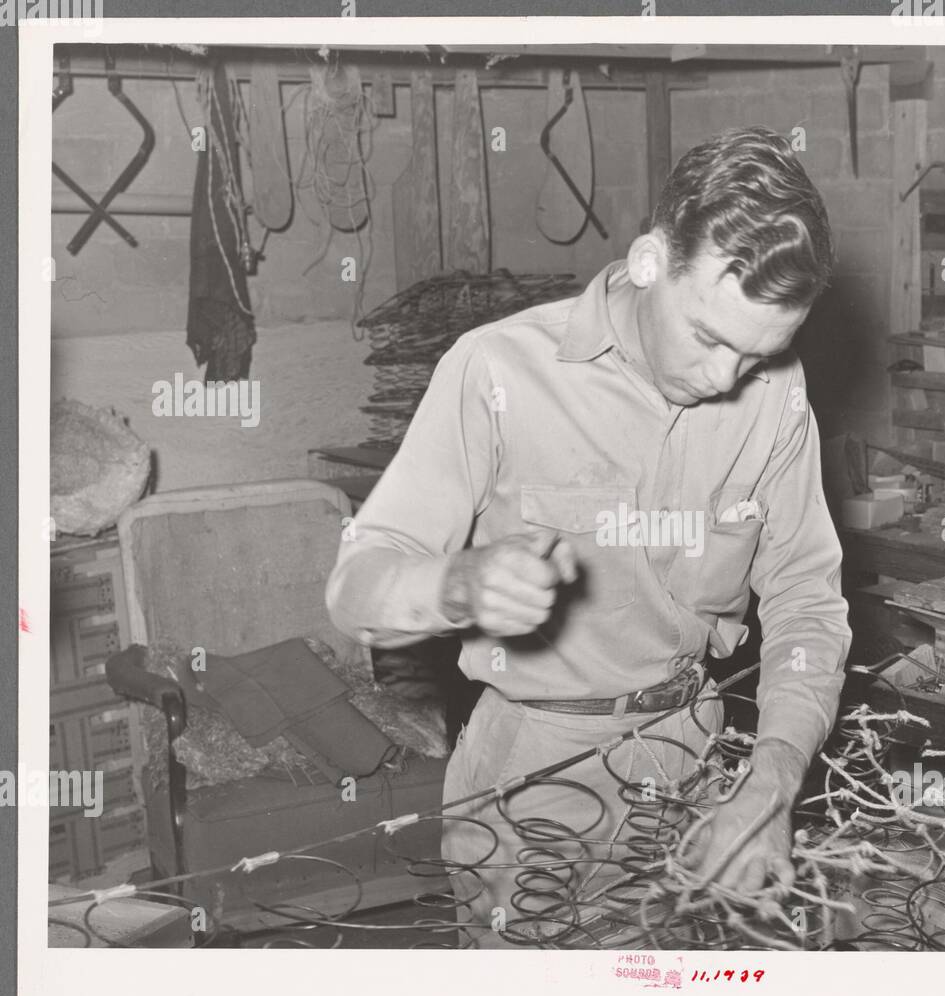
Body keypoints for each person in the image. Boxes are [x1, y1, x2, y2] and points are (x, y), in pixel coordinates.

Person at [326, 126, 851, 947]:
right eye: (710, 337)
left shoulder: (775, 393)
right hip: (536, 773)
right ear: (650, 261)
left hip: (693, 757)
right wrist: (452, 585)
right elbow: (357, 584)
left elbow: (807, 601)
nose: (725, 379)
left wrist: (772, 782)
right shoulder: (496, 371)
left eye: (758, 353)